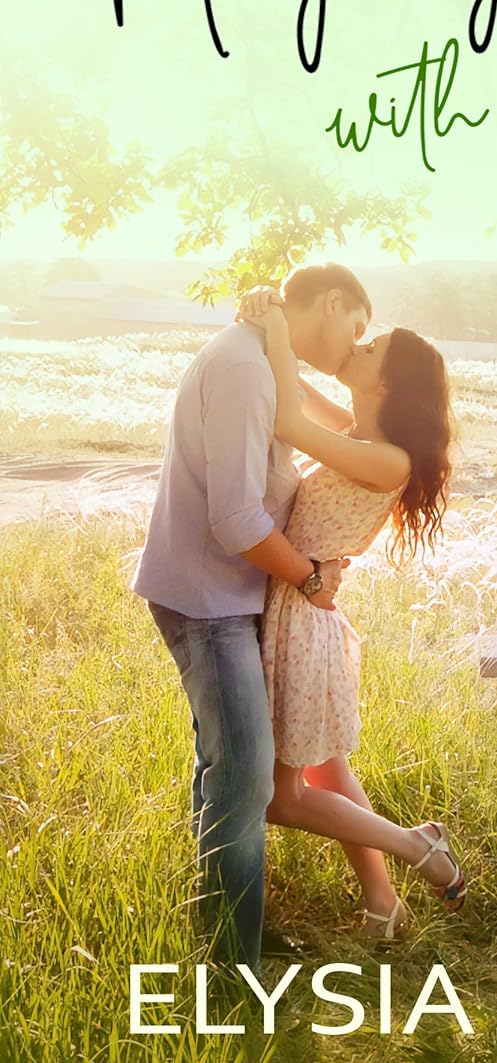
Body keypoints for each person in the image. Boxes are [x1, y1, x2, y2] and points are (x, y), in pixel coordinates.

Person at [131, 263, 371, 974]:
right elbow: (236, 520)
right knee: (244, 777)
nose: (355, 346)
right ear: (331, 302)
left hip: (228, 594)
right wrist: (311, 578)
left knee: (228, 768)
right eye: (356, 327)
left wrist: (282, 341)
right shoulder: (243, 368)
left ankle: (228, 928)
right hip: (208, 599)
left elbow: (354, 428)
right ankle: (234, 963)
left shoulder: (263, 359)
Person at [238, 288, 465, 941]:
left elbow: (289, 421)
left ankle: (419, 846)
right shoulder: (361, 434)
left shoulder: (386, 459)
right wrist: (270, 323)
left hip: (302, 622)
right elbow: (298, 394)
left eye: (370, 347)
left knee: (280, 798)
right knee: (328, 771)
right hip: (300, 610)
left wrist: (274, 327)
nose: (355, 347)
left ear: (387, 381)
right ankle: (383, 905)